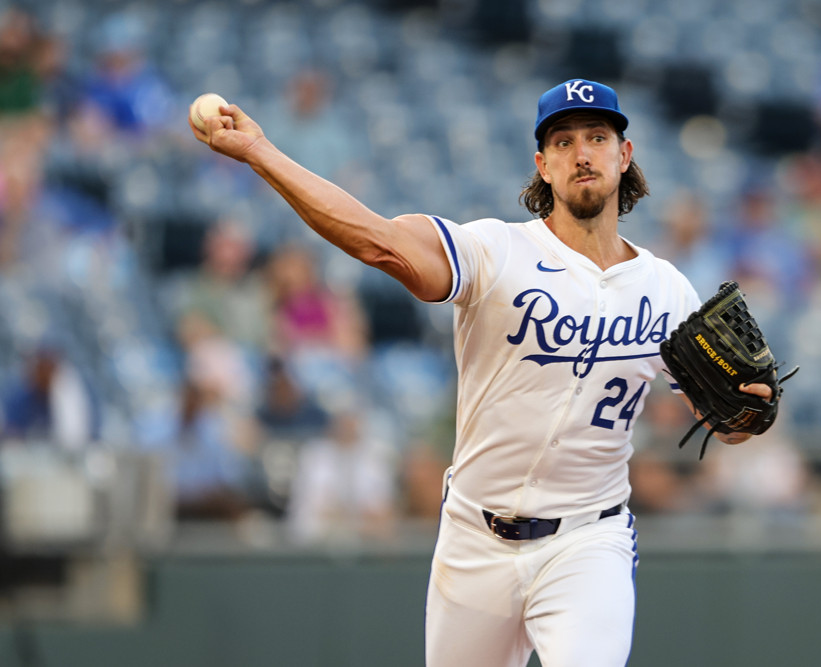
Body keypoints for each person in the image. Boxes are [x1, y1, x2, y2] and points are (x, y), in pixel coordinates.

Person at [189, 77, 775, 667]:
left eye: (598, 136)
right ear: (543, 166)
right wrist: (261, 153)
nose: (583, 152)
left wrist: (744, 416)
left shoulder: (667, 290)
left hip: (587, 541)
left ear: (624, 156)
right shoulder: (494, 253)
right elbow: (380, 244)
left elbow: (722, 421)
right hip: (474, 538)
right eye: (564, 141)